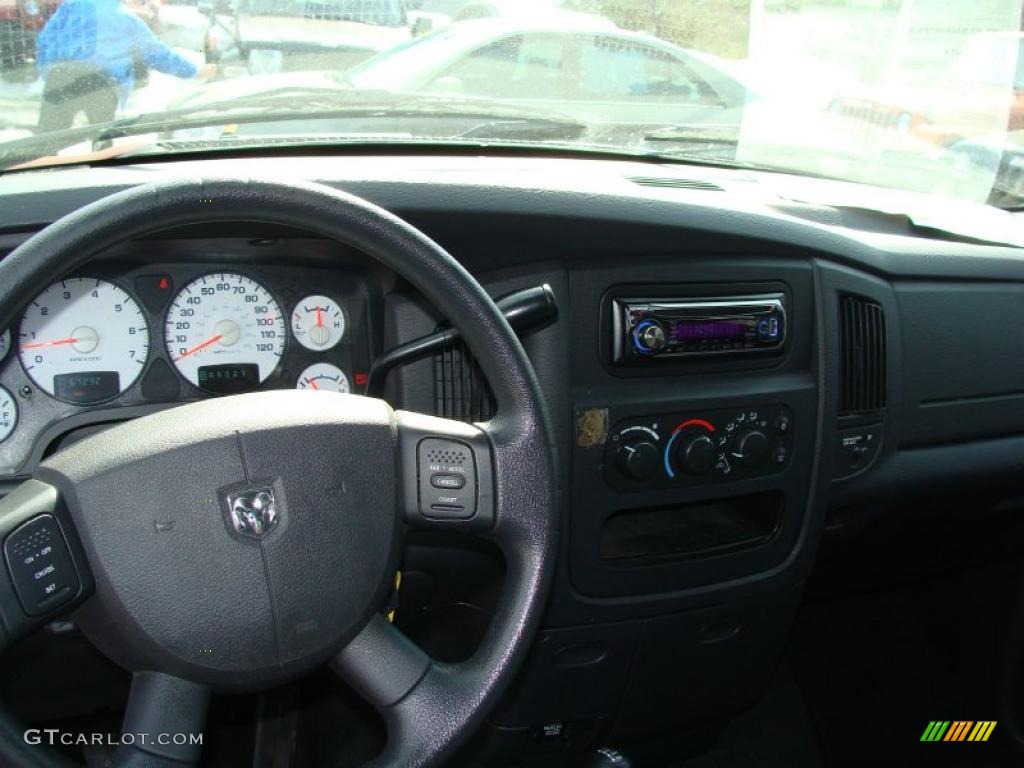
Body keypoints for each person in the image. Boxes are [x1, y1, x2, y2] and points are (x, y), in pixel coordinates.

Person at [35, 0, 210, 133]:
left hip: (61, 77)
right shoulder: (125, 17)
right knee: (103, 140)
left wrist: (49, 73)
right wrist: (194, 70)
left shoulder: (71, 6)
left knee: (45, 140)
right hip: (100, 84)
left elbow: (44, 40)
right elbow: (156, 54)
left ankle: (40, 173)